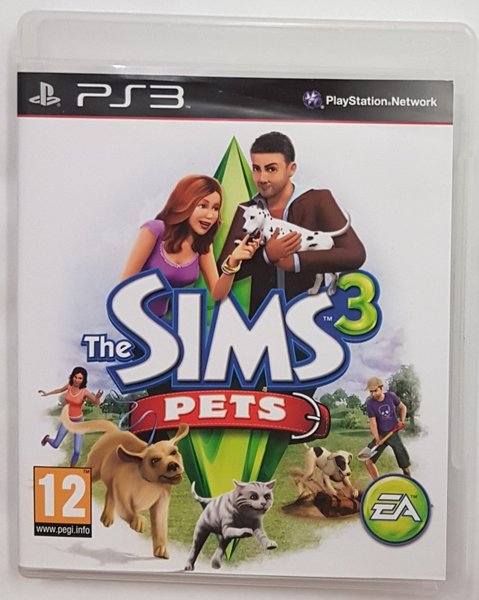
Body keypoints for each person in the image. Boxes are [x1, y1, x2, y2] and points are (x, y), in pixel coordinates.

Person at [218, 131, 366, 316]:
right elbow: (222, 269)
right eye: (256, 168)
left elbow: (355, 255)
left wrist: (297, 261)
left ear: (291, 169)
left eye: (271, 169)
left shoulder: (319, 199)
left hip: (312, 311)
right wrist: (266, 256)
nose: (261, 178)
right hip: (262, 317)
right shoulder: (247, 210)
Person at [121, 174, 259, 316]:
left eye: (215, 208)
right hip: (130, 316)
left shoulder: (203, 245)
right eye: (203, 206)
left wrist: (233, 261)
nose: (210, 215)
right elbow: (124, 284)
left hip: (158, 319)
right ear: (185, 204)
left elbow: (217, 294)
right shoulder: (154, 230)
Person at [39, 366, 103, 466]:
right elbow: (59, 390)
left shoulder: (84, 392)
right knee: (55, 445)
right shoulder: (69, 386)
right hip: (67, 421)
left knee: (77, 451)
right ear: (72, 377)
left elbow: (96, 402)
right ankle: (47, 439)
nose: (77, 380)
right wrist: (47, 393)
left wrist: (97, 398)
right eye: (75, 377)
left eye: (80, 378)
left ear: (83, 380)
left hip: (78, 423)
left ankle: (71, 470)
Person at [364, 376, 411, 479]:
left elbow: (403, 408)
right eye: (371, 392)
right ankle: (378, 483)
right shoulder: (370, 404)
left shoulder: (391, 396)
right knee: (368, 461)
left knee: (405, 466)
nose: (373, 394)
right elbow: (373, 424)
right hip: (381, 435)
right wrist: (377, 439)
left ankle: (409, 481)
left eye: (375, 391)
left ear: (381, 388)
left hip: (393, 433)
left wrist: (402, 421)